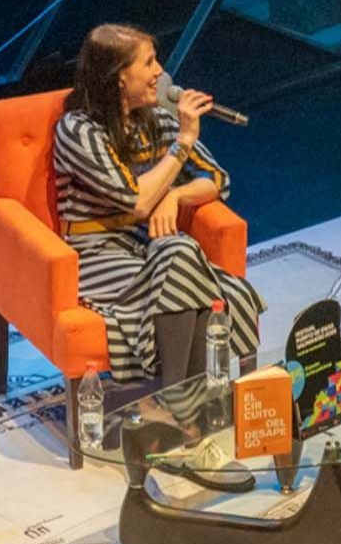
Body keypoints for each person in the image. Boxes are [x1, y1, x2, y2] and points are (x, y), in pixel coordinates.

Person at [53, 23, 265, 387]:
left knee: (190, 265)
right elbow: (136, 200)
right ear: (119, 77)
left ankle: (184, 402)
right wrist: (183, 141)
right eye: (149, 63)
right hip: (94, 256)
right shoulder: (78, 130)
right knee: (184, 258)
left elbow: (216, 179)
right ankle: (186, 400)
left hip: (145, 248)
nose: (159, 73)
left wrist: (175, 195)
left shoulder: (157, 120)